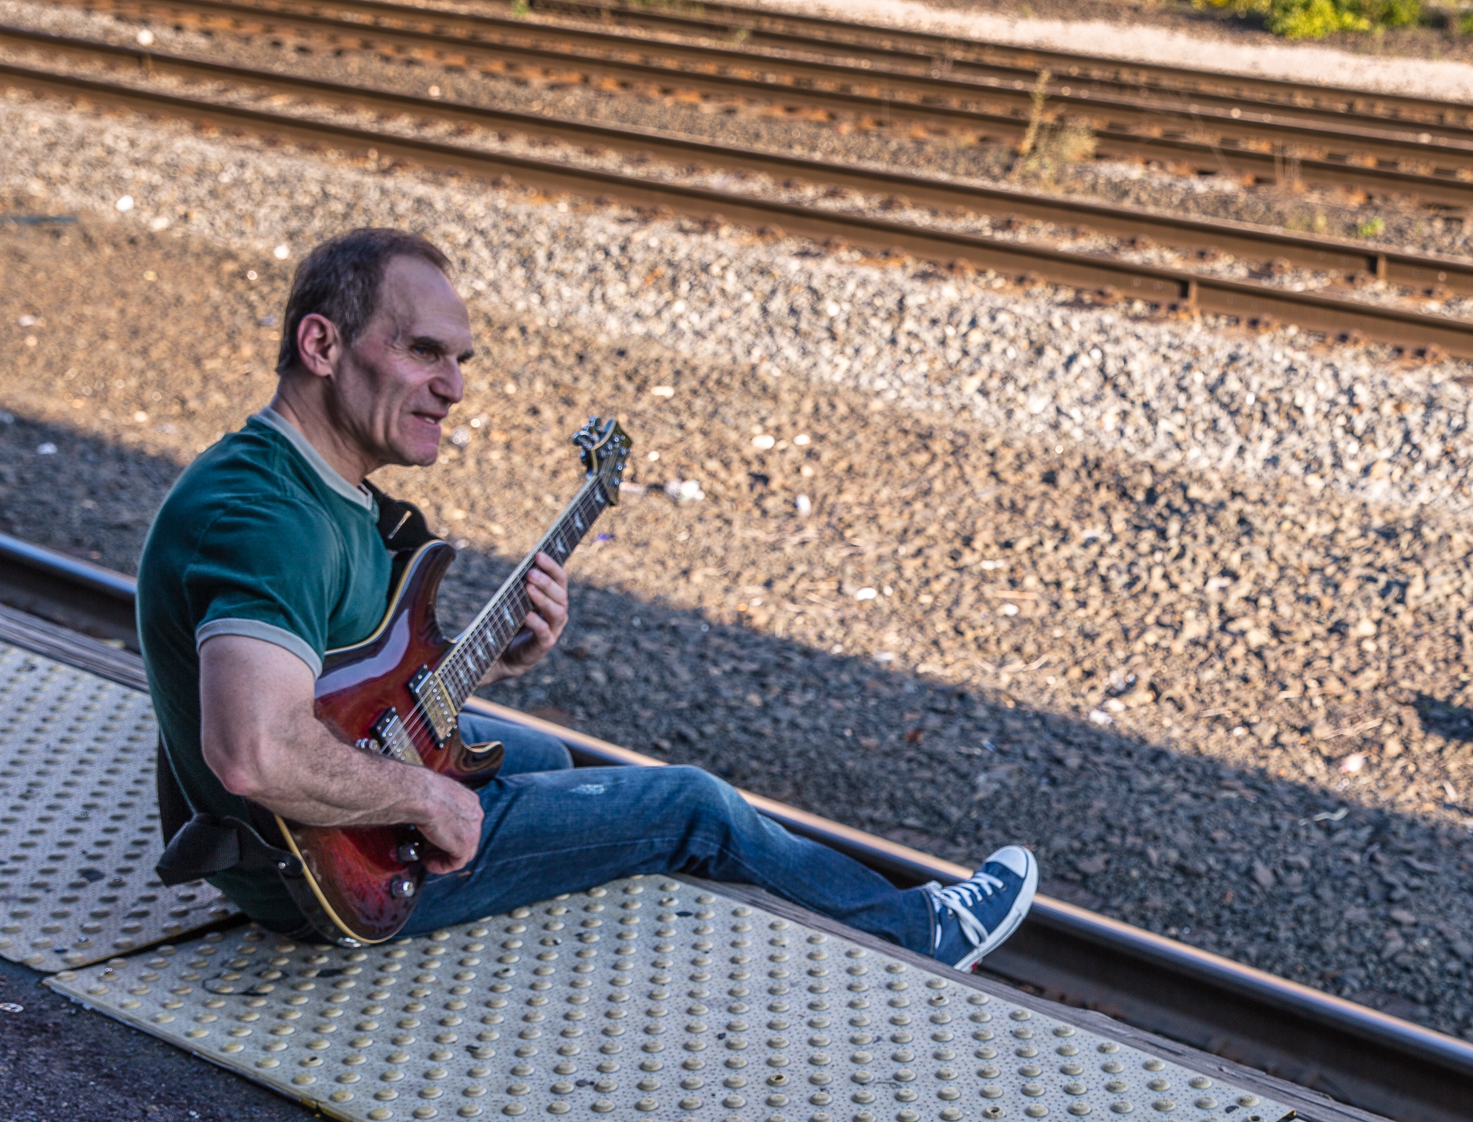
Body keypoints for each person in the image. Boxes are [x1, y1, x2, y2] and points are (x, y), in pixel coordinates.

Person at [136, 227, 1037, 967]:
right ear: (322, 344)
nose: (452, 387)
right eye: (421, 352)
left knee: (554, 763)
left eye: (459, 359)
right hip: (317, 877)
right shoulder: (264, 517)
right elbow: (253, 751)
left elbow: (351, 679)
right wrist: (428, 800)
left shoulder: (323, 486)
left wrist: (501, 654)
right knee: (688, 804)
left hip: (312, 819)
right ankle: (919, 931)